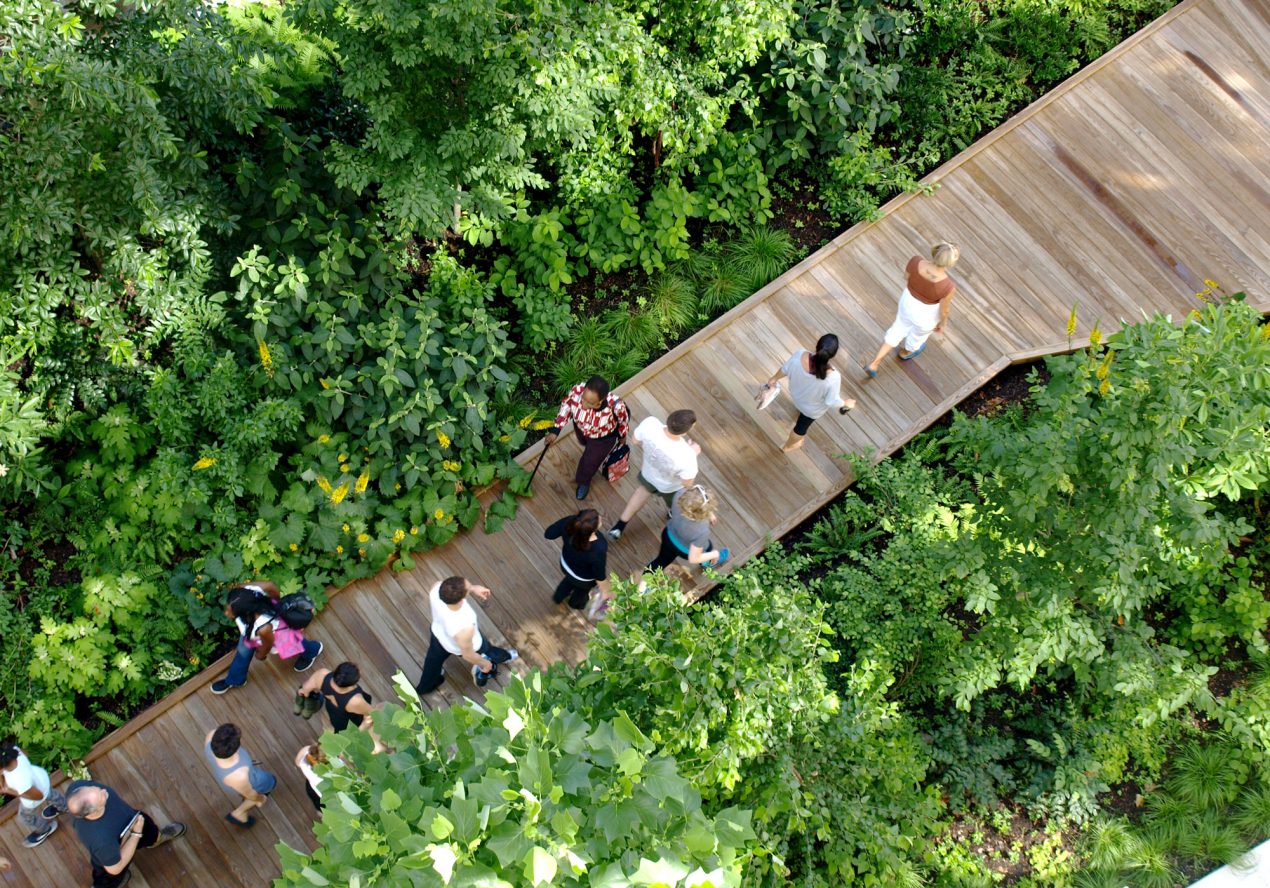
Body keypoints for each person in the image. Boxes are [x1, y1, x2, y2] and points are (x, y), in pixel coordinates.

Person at [864, 242, 960, 377]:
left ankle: (874, 363)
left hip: (908, 301)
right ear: (950, 262)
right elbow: (944, 310)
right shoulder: (948, 286)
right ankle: (906, 352)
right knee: (918, 336)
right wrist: (942, 324)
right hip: (926, 314)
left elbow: (906, 277)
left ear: (935, 251)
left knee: (898, 328)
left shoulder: (916, 261)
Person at [66, 780, 186, 888]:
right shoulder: (102, 842)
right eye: (101, 796)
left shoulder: (77, 787)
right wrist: (136, 833)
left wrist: (137, 827)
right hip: (116, 847)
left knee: (149, 828)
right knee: (108, 879)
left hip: (132, 820)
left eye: (94, 788)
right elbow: (115, 868)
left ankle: (155, 839)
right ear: (93, 812)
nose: (103, 791)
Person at [211, 581, 323, 694]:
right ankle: (236, 680)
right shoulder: (246, 593)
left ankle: (313, 650)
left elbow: (268, 644)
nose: (226, 613)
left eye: (230, 612)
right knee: (242, 653)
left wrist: (261, 655)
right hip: (251, 632)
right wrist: (276, 603)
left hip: (275, 634)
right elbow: (269, 585)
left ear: (246, 612)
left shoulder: (263, 627)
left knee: (294, 643)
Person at [416, 576, 519, 694]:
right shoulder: (465, 625)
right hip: (464, 645)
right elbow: (468, 655)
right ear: (461, 600)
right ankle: (506, 656)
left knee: (433, 661)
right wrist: (485, 664)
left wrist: (473, 588)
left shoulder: (436, 588)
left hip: (439, 635)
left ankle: (425, 687)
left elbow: (456, 587)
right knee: (488, 651)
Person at [608, 409, 699, 540]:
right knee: (675, 505)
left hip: (648, 474)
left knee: (640, 494)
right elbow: (687, 483)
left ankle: (619, 527)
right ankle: (671, 513)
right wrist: (693, 453)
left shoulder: (650, 424)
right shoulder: (687, 455)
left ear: (670, 418)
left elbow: (635, 440)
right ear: (684, 432)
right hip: (670, 487)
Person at [759, 334, 857, 451]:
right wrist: (846, 403)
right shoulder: (833, 377)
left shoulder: (800, 354)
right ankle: (787, 447)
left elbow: (785, 369)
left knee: (801, 419)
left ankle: (788, 445)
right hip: (811, 410)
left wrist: (774, 378)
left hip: (796, 396)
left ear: (817, 345)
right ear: (833, 355)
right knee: (800, 428)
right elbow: (831, 401)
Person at [545, 375, 632, 500]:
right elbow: (567, 406)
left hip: (602, 438)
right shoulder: (577, 391)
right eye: (583, 399)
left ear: (600, 402)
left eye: (589, 403)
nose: (583, 404)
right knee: (585, 444)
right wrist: (556, 430)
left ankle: (583, 481)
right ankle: (588, 448)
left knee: (589, 462)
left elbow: (623, 420)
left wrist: (622, 436)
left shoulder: (616, 406)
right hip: (581, 429)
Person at [296, 662, 384, 752]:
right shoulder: (355, 701)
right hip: (348, 721)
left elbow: (304, 690)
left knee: (336, 727)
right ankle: (336, 748)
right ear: (353, 683)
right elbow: (372, 714)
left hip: (332, 709)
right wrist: (364, 726)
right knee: (343, 733)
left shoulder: (321, 675)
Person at [203, 723, 277, 829]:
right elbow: (251, 794)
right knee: (271, 782)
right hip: (250, 782)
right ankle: (239, 814)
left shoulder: (210, 736)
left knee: (245, 793)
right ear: (236, 748)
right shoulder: (239, 775)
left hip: (228, 780)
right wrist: (261, 799)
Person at [645, 485, 730, 573]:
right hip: (685, 550)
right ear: (704, 511)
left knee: (661, 561)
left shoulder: (679, 495)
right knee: (708, 547)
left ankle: (645, 579)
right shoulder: (702, 531)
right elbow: (693, 558)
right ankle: (707, 563)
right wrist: (715, 554)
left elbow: (690, 499)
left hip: (668, 536)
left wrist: (708, 512)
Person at [544, 509, 612, 615]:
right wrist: (606, 591)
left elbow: (549, 534)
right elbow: (599, 574)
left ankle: (558, 597)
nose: (600, 518)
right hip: (583, 579)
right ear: (592, 530)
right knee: (581, 592)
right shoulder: (599, 547)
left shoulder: (568, 523)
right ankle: (575, 604)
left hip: (566, 564)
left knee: (568, 581)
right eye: (598, 519)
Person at [1, 741, 67, 848]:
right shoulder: (15, 751)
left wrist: (8, 791)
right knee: (51, 793)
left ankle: (45, 828)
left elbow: (38, 796)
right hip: (41, 778)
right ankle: (64, 806)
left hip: (35, 796)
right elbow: (26, 754)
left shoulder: (19, 780)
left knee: (24, 816)